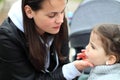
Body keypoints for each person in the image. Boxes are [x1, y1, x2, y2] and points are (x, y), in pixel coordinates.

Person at [0, 0, 93, 80]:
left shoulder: (58, 23)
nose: (60, 20)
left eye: (62, 11)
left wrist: (78, 66)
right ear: (29, 11)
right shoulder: (8, 38)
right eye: (52, 15)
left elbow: (64, 64)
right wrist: (71, 69)